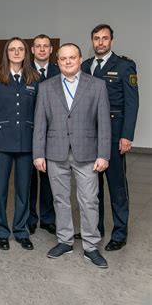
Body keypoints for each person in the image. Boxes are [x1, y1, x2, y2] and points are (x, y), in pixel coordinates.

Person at [33, 43, 111, 268]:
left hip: (87, 153)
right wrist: (38, 154)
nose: (68, 62)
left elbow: (104, 124)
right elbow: (40, 123)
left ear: (79, 60)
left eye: (72, 58)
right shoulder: (47, 87)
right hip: (55, 152)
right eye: (63, 58)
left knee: (89, 200)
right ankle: (65, 240)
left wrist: (103, 154)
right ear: (57, 61)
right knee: (60, 200)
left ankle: (91, 246)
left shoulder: (97, 86)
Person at [79, 24, 139, 251]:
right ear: (92, 41)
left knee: (116, 186)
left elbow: (132, 103)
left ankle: (120, 232)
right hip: (89, 136)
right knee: (92, 186)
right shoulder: (84, 66)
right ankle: (96, 228)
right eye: (96, 38)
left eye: (105, 38)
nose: (100, 42)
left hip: (114, 135)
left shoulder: (124, 66)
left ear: (111, 41)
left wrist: (126, 135)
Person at [0, 37, 40, 251]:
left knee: (23, 190)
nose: (16, 53)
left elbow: (39, 114)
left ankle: (21, 230)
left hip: (26, 143)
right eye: (12, 49)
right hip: (1, 142)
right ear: (6, 53)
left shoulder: (34, 77)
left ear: (26, 53)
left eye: (20, 49)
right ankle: (1, 230)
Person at [28, 34, 60, 236]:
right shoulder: (23, 71)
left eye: (45, 46)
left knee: (50, 179)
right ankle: (30, 218)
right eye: (38, 46)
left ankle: (48, 219)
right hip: (29, 132)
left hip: (53, 133)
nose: (41, 49)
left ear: (51, 50)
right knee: (28, 179)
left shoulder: (59, 71)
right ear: (32, 50)